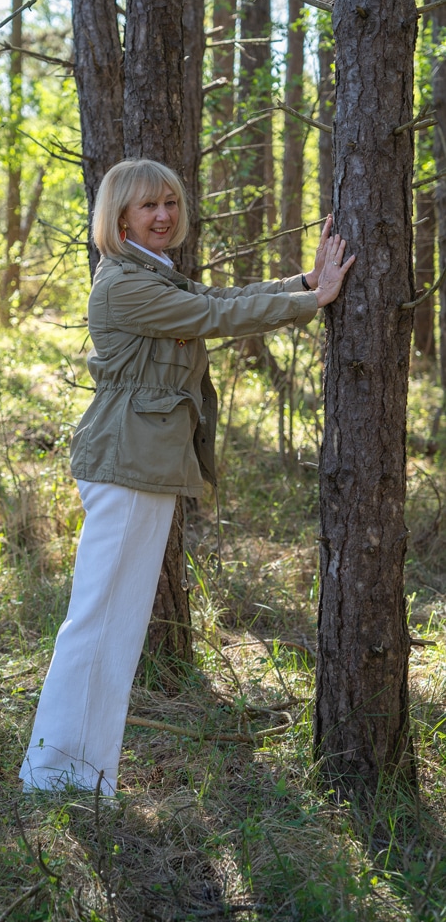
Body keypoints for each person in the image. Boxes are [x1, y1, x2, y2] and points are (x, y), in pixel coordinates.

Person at [19, 158, 354, 795]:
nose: (164, 216)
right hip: (125, 464)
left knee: (117, 628)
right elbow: (214, 319)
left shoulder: (155, 275)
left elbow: (213, 300)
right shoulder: (123, 284)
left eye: (171, 203)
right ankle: (52, 772)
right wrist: (312, 301)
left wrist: (308, 279)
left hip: (143, 462)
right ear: (119, 218)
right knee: (96, 622)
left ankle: (81, 776)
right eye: (148, 206)